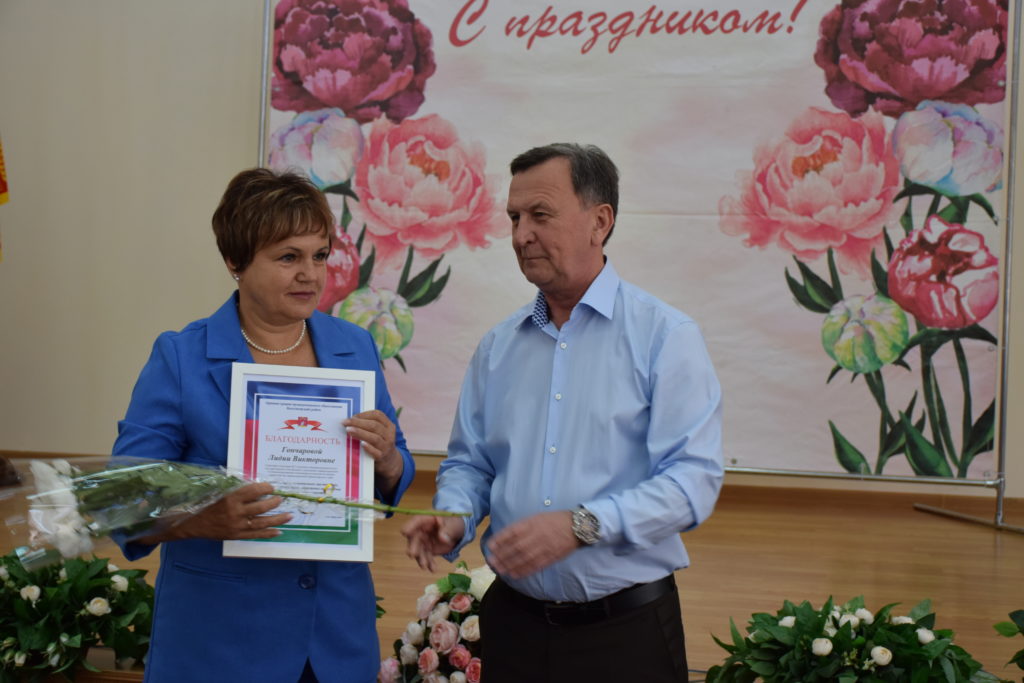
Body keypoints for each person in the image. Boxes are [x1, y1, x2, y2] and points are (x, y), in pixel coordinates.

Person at [402, 143, 723, 682]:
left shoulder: (665, 337)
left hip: (624, 633)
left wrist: (582, 525)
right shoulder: (498, 347)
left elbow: (692, 483)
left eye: (540, 215)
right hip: (513, 626)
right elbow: (471, 464)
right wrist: (454, 516)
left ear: (600, 222)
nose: (521, 234)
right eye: (514, 217)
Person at [113, 168, 415, 683]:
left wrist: (387, 459)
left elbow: (393, 471)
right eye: (288, 257)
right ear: (235, 261)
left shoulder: (355, 347)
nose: (310, 275)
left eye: (319, 255)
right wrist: (202, 516)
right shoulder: (181, 357)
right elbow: (122, 499)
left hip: (334, 641)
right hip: (220, 644)